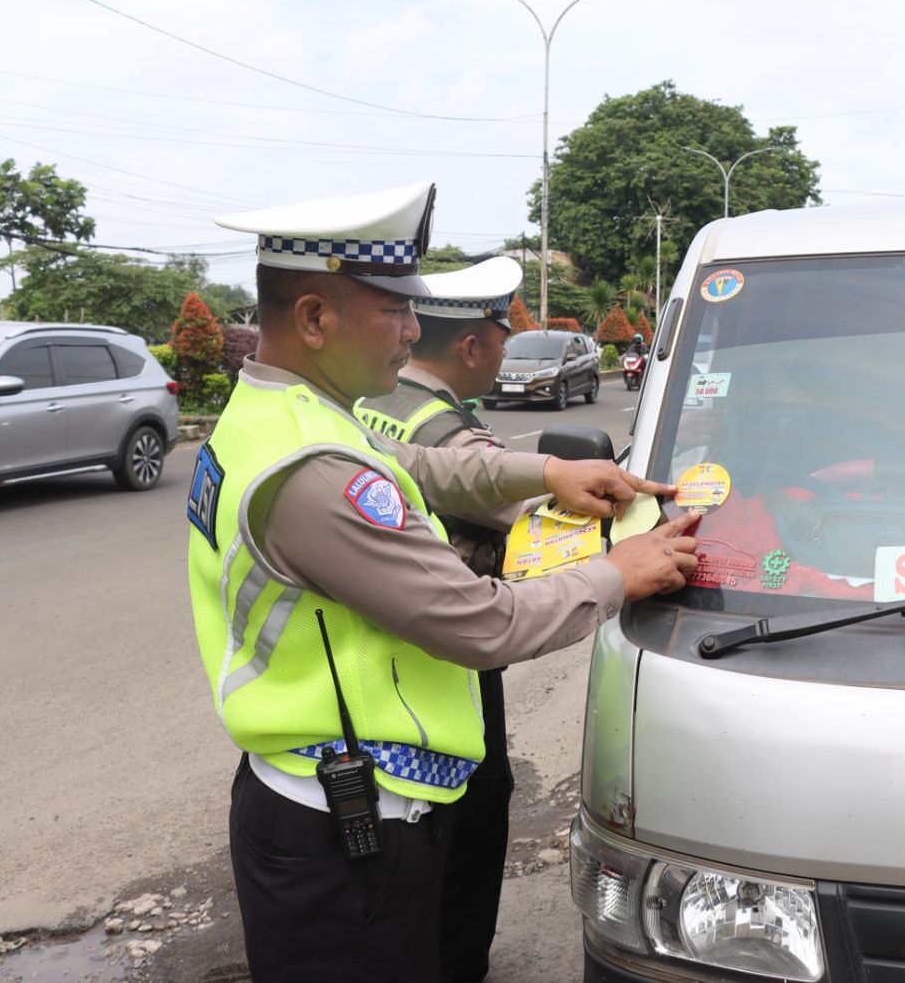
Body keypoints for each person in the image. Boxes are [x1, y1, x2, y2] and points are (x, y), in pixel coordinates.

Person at [186, 181, 699, 983]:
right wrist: (617, 573)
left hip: (330, 804)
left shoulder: (288, 414)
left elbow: (420, 466)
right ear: (315, 318)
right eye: (395, 309)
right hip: (346, 837)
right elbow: (481, 624)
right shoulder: (312, 470)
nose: (413, 330)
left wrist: (549, 472)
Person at [353, 257, 527, 983]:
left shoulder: (372, 399)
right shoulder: (448, 430)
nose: (508, 350)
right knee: (474, 802)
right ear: (471, 344)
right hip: (449, 642)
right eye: (504, 337)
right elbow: (527, 518)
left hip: (371, 645)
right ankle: (455, 963)